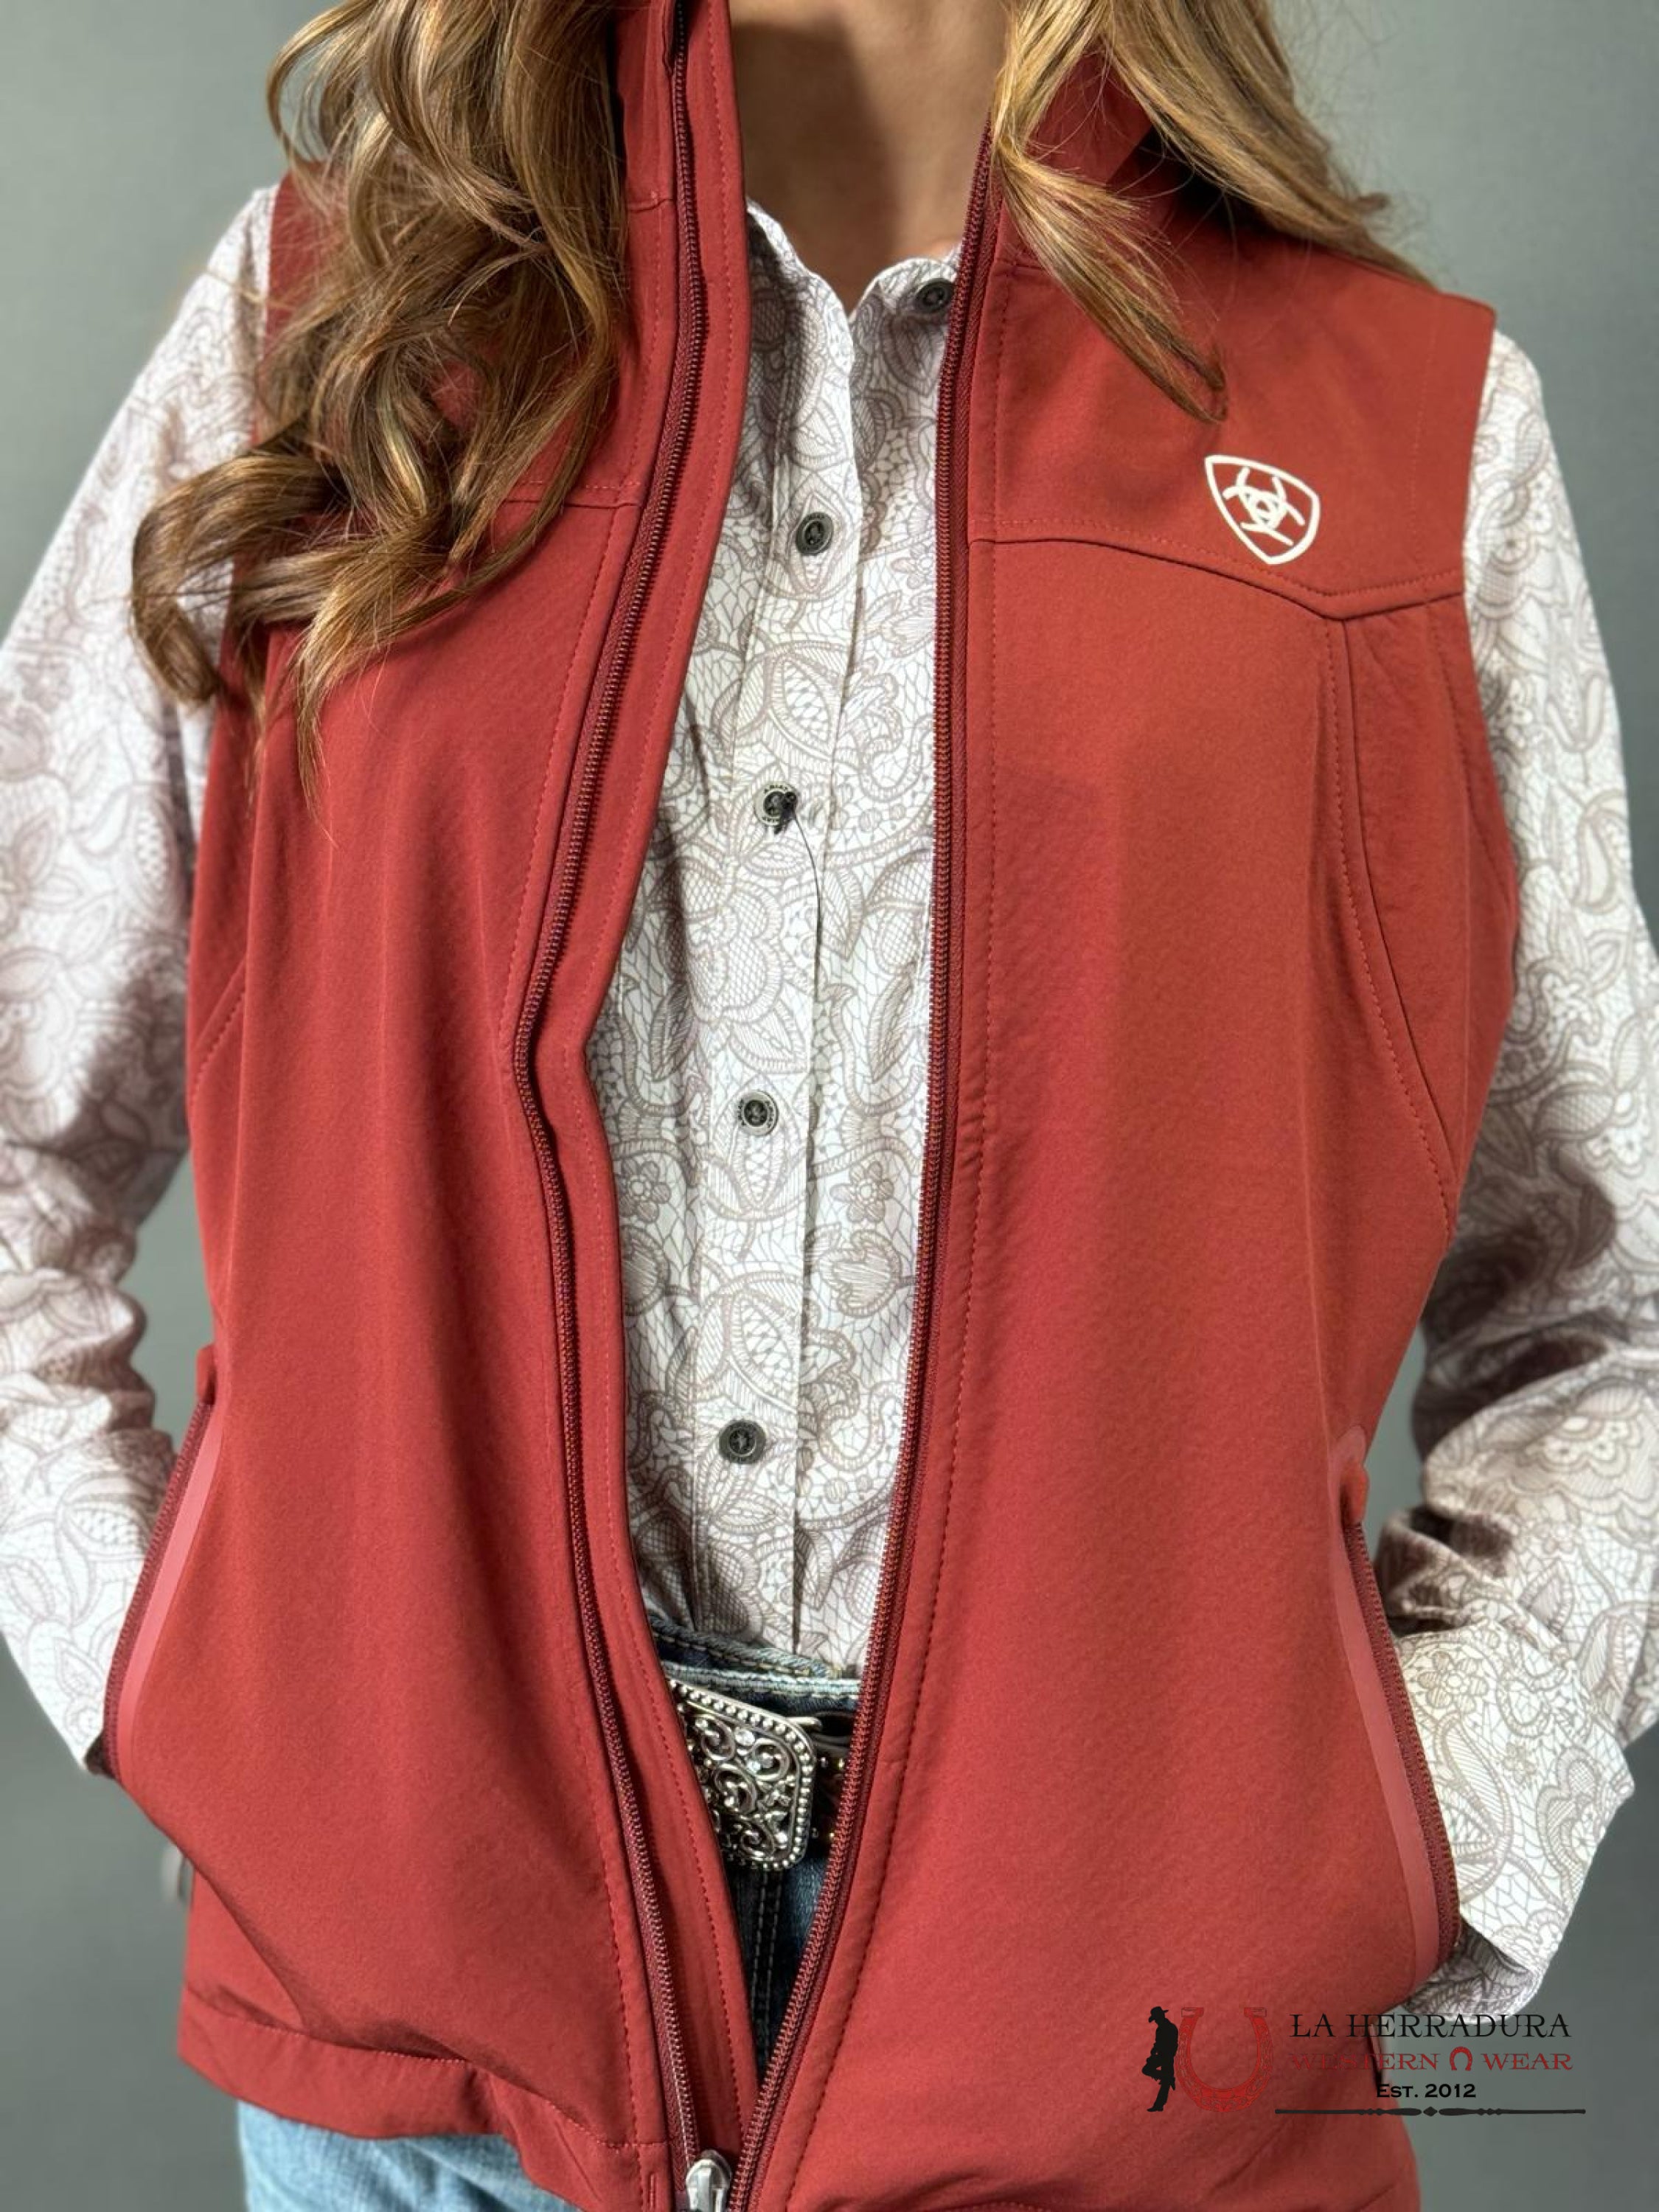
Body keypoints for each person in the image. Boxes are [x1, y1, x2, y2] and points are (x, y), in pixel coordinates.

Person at [1, 1, 1655, 2208]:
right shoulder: (333, 326)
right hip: (431, 2068)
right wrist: (192, 1683)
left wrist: (1410, 1829)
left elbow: (1610, 1295)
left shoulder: (1399, 426)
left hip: (1130, 2079)